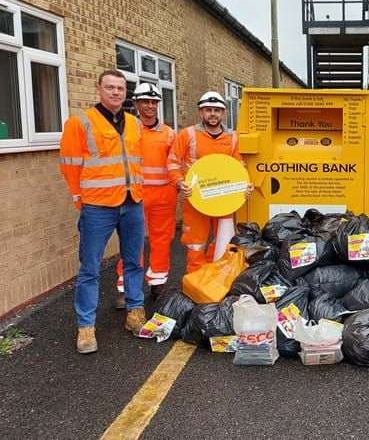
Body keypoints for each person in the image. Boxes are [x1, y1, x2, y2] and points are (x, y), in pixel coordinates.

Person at [59, 69, 146, 354]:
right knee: (90, 268)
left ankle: (135, 312)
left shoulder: (134, 123)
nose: (116, 92)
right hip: (98, 205)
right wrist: (79, 199)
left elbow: (136, 161)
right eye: (110, 87)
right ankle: (86, 326)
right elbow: (69, 164)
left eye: (120, 88)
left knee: (133, 261)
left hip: (133, 201)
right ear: (99, 89)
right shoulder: (80, 122)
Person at [167, 91, 251, 273]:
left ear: (223, 113)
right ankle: (196, 283)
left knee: (222, 241)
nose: (213, 114)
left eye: (217, 110)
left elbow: (239, 168)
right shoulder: (187, 135)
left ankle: (216, 282)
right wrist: (180, 183)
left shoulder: (232, 138)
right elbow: (173, 162)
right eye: (208, 110)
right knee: (195, 244)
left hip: (224, 201)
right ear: (201, 112)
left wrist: (244, 187)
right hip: (197, 199)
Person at [114, 83, 177, 309]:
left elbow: (176, 163)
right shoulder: (127, 130)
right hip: (135, 194)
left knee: (162, 240)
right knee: (133, 242)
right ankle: (125, 289)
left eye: (154, 102)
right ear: (136, 104)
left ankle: (158, 282)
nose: (150, 106)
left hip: (164, 193)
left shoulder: (170, 134)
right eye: (145, 102)